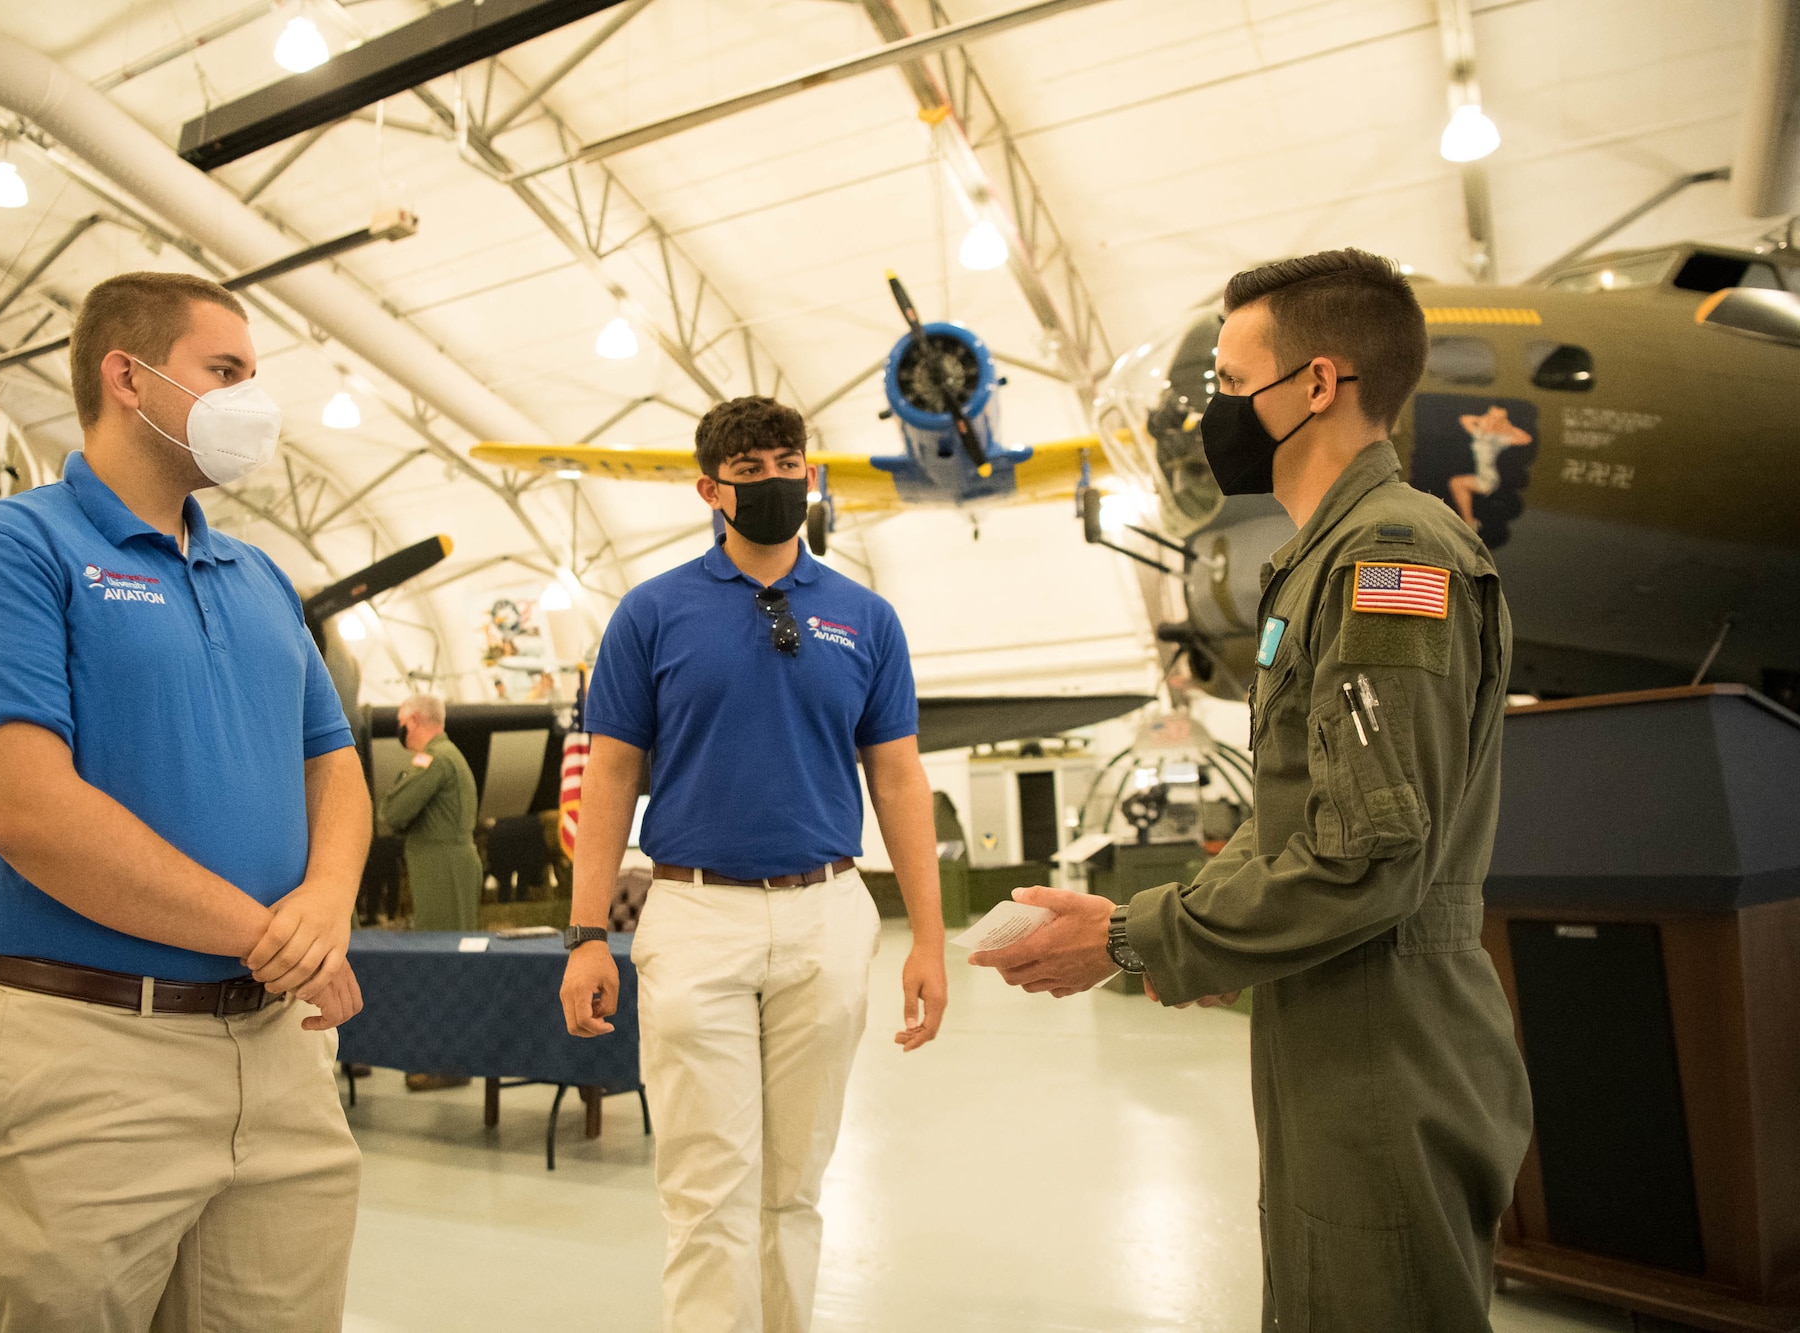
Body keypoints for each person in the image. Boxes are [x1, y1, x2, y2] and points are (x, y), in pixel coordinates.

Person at [973, 250, 1533, 1333]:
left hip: (1384, 1033)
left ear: (1318, 384)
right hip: (1328, 1012)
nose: (1208, 417)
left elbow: (1363, 860)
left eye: (1229, 386)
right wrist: (1171, 923)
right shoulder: (1318, 560)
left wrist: (1134, 937)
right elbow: (1309, 814)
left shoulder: (1387, 558)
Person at [0, 271, 369, 1331]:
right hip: (81, 1048)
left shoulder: (256, 575)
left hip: (276, 1049)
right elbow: (23, 810)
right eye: (225, 372)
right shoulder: (11, 549)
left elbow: (330, 758)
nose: (252, 400)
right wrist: (272, 934)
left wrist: (327, 904)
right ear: (127, 376)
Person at [558, 395, 949, 1333]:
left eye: (789, 464)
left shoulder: (866, 617)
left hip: (827, 911)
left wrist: (926, 936)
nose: (776, 482)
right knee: (707, 1192)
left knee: (795, 1186)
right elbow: (609, 776)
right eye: (752, 470)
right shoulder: (651, 614)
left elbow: (898, 779)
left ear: (809, 475)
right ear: (709, 489)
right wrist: (584, 936)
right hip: (695, 915)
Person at [380, 694, 483, 932]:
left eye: (401, 722)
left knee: (441, 943)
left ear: (414, 720)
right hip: (449, 864)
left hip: (440, 869)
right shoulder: (450, 754)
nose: (400, 729)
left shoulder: (434, 759)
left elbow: (393, 813)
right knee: (456, 941)